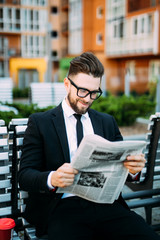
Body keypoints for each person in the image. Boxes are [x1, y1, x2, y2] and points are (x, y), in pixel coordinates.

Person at [18, 52, 160, 240]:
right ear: (67, 84)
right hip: (62, 208)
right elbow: (25, 175)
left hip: (107, 206)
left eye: (95, 93)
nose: (88, 99)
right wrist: (53, 178)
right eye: (83, 91)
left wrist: (133, 170)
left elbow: (125, 171)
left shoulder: (107, 122)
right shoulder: (40, 122)